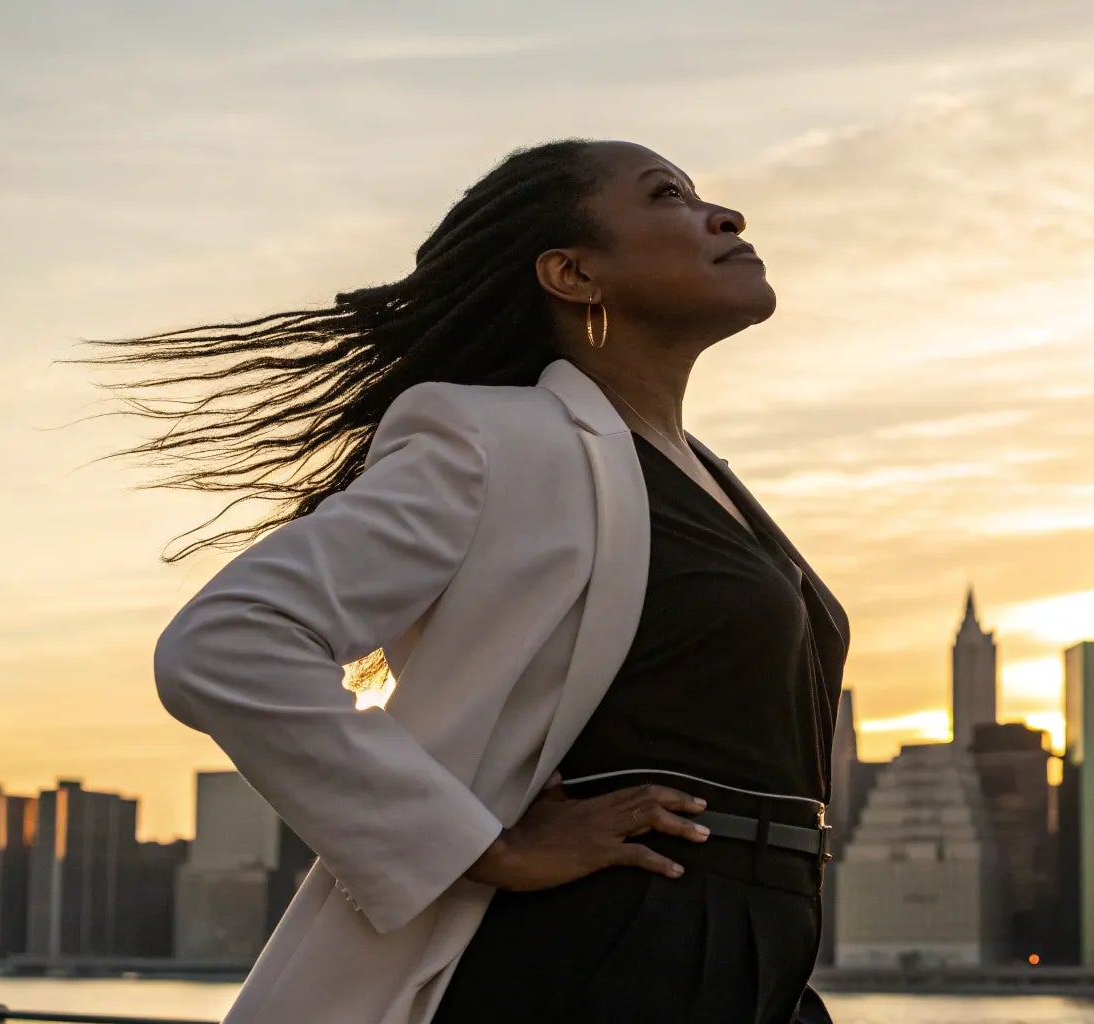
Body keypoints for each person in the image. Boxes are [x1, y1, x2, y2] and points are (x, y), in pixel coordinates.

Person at [89, 140, 848, 1023]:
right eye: (668, 196)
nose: (725, 215)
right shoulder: (497, 441)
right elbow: (226, 643)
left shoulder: (704, 476)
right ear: (572, 273)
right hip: (606, 958)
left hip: (759, 957)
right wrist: (481, 847)